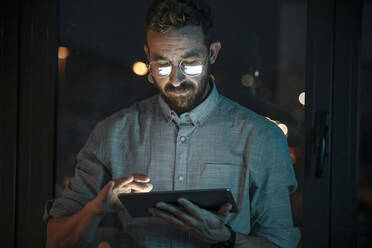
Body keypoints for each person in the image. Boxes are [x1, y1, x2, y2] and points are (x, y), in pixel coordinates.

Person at [44, 0, 301, 247]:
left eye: (189, 65)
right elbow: (54, 241)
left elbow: (279, 244)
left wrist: (226, 238)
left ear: (212, 52)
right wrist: (95, 209)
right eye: (163, 65)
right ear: (147, 56)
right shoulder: (112, 133)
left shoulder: (262, 137)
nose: (176, 80)